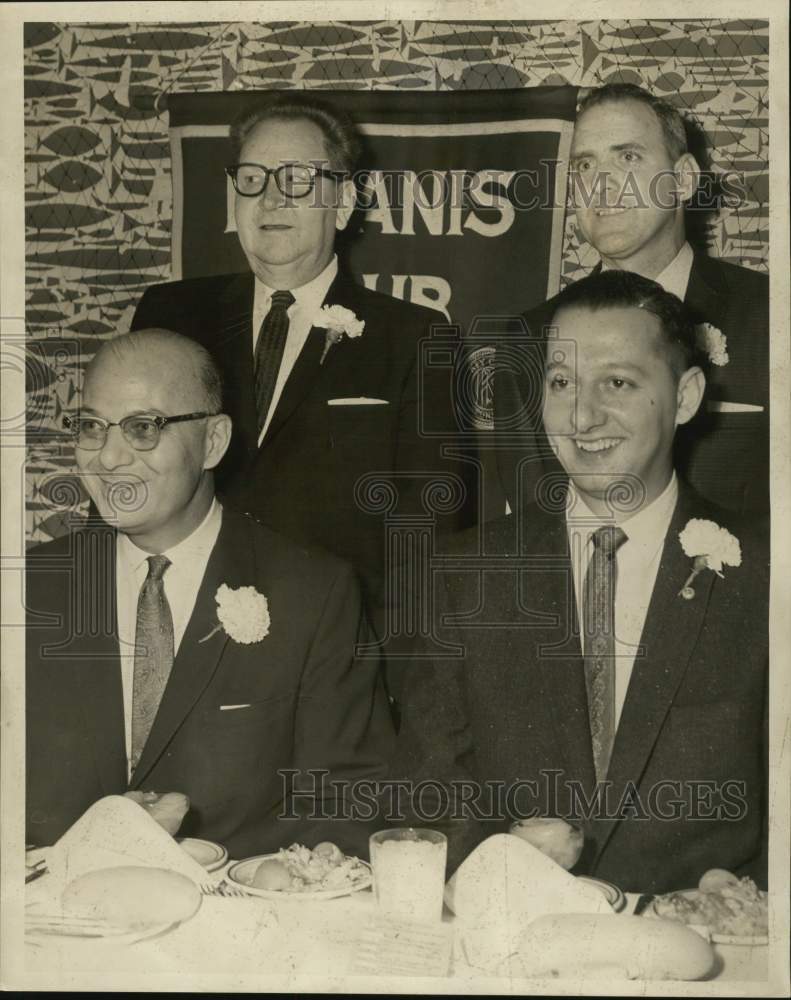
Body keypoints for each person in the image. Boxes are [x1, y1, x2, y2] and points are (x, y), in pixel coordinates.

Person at [395, 272, 768, 894]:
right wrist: (499, 865)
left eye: (617, 383)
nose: (582, 416)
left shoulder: (766, 573)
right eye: (561, 383)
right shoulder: (467, 574)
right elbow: (424, 790)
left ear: (685, 396)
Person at [26, 329, 395, 859]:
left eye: (142, 428)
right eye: (91, 427)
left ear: (214, 442)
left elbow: (347, 803)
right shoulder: (24, 588)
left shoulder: (314, 593)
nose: (107, 458)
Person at [131, 94, 468, 630]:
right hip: (185, 637)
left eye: (296, 180)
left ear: (344, 203)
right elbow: (128, 473)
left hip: (336, 653)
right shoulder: (172, 315)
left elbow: (427, 544)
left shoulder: (416, 338)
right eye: (252, 179)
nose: (270, 200)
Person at [493, 83, 769, 519]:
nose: (600, 185)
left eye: (628, 157)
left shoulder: (771, 317)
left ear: (683, 179)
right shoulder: (528, 338)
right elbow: (537, 532)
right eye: (585, 164)